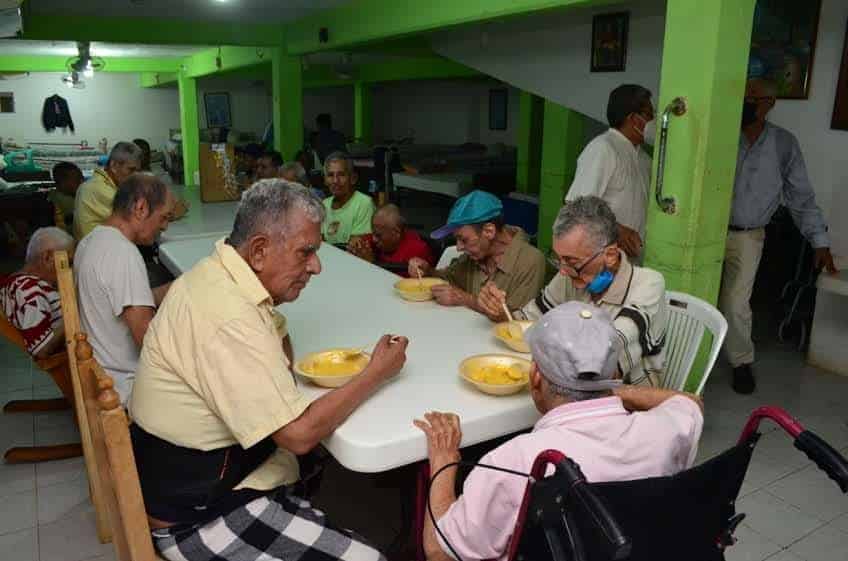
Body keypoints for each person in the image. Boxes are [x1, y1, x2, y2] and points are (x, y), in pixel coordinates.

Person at [129, 179, 408, 561]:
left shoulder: (219, 274)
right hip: (195, 516)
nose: (317, 266)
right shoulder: (229, 316)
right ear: (259, 250)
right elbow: (298, 435)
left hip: (188, 476)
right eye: (305, 253)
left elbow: (282, 353)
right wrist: (375, 372)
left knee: (312, 459)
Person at [415, 301, 703, 561]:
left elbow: (439, 551)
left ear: (535, 377)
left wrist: (445, 460)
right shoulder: (665, 429)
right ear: (615, 374)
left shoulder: (512, 462)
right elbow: (690, 403)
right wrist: (614, 390)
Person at [723, 78, 839, 394]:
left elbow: (800, 196)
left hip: (748, 235)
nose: (747, 102)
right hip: (708, 230)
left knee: (736, 301)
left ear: (770, 104)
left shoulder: (783, 143)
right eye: (743, 95)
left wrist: (819, 241)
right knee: (694, 292)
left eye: (754, 98)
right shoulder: (720, 133)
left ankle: (741, 362)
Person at [478, 196, 667, 386]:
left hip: (627, 403)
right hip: (572, 388)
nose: (562, 270)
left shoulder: (648, 285)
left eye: (571, 261)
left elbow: (604, 364)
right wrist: (500, 311)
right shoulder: (570, 275)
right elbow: (527, 321)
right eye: (558, 258)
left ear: (609, 255)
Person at [74, 174, 174, 404]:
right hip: (127, 386)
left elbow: (116, 300)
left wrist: (180, 287)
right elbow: (149, 340)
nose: (165, 226)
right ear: (140, 207)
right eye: (164, 217)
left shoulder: (92, 241)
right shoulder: (123, 254)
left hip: (105, 373)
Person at [408, 190, 545, 313]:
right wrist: (428, 271)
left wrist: (464, 299)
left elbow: (520, 321)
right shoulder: (477, 255)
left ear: (489, 231)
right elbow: (449, 278)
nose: (459, 247)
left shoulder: (530, 261)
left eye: (464, 240)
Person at [565, 84, 654, 258]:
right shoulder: (603, 148)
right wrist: (616, 230)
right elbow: (577, 207)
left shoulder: (645, 159)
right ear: (634, 119)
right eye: (650, 116)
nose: (654, 122)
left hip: (632, 261)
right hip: (601, 259)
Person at [0, 227, 74, 359]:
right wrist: (74, 310)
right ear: (47, 257)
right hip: (59, 369)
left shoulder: (20, 283)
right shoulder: (28, 289)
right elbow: (41, 349)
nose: (69, 269)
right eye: (67, 262)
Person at [73, 141, 143, 240]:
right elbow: (138, 219)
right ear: (114, 166)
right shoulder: (99, 189)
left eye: (138, 171)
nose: (135, 176)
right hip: (97, 251)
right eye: (131, 170)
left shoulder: (99, 183)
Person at [348, 204, 435, 275]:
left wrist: (372, 263)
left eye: (378, 235)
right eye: (373, 233)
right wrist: (355, 241)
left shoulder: (417, 251)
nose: (374, 239)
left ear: (396, 233)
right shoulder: (377, 237)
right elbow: (360, 239)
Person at [321, 151, 375, 246]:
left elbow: (357, 247)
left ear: (353, 178)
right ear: (325, 180)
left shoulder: (363, 203)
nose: (335, 181)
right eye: (330, 175)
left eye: (341, 174)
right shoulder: (324, 205)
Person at [48, 161, 84, 230]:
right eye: (77, 179)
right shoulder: (57, 199)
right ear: (62, 182)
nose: (82, 182)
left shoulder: (80, 194)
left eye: (82, 178)